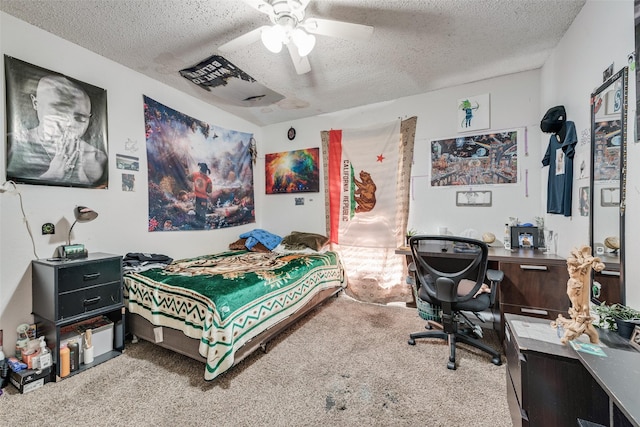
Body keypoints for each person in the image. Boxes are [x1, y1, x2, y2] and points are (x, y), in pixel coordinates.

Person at [6, 74, 107, 186]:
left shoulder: (97, 158)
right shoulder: (10, 145)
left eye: (80, 118)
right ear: (36, 103)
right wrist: (52, 176)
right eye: (60, 113)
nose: (69, 124)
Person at [187, 162, 213, 227]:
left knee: (197, 212)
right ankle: (202, 227)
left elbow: (188, 177)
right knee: (203, 213)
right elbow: (209, 191)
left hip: (197, 197)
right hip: (204, 198)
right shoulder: (208, 179)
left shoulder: (195, 175)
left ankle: (197, 226)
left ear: (200, 168)